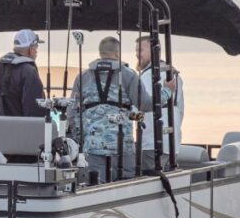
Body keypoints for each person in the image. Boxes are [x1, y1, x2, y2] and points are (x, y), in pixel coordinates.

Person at [68, 36, 140, 181]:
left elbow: (71, 112)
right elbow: (146, 104)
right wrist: (167, 91)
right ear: (118, 53)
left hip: (92, 146)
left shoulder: (82, 77)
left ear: (100, 53)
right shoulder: (129, 75)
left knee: (94, 185)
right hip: (122, 146)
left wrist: (79, 138)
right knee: (125, 185)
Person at [135, 34, 183, 170]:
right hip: (173, 144)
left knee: (149, 181)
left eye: (140, 50)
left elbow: (139, 109)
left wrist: (130, 118)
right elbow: (180, 109)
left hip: (151, 144)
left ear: (154, 50)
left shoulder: (146, 77)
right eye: (136, 51)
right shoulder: (175, 75)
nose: (137, 55)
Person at [0, 28, 46, 117]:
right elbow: (34, 110)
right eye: (36, 48)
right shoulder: (29, 72)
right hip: (19, 129)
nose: (36, 52)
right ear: (30, 50)